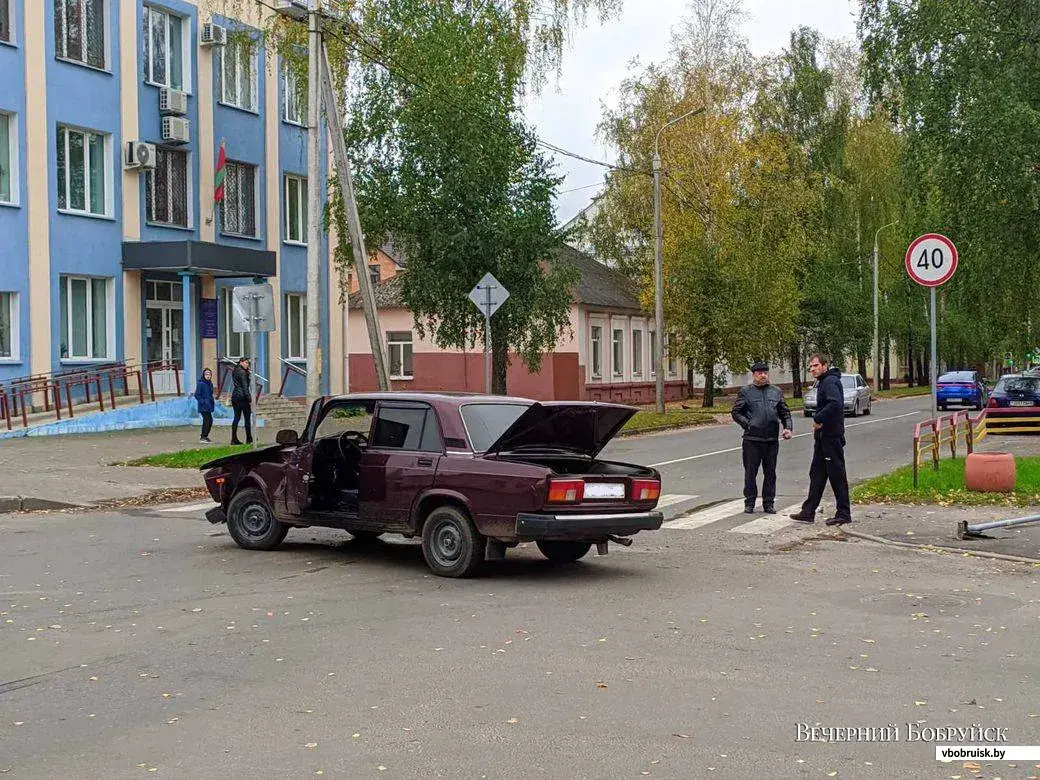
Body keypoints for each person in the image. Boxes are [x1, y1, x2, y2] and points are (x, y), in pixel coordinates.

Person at [790, 352, 852, 526]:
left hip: (831, 438)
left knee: (837, 475)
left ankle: (844, 513)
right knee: (816, 474)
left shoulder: (830, 382)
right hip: (823, 438)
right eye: (810, 366)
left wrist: (818, 418)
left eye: (816, 365)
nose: (812, 369)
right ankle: (808, 512)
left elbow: (835, 404)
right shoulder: (823, 382)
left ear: (825, 365)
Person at [731, 361, 793, 514]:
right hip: (752, 440)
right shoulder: (746, 392)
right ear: (754, 375)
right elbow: (736, 412)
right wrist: (748, 424)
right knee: (751, 472)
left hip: (771, 440)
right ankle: (750, 502)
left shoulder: (776, 392)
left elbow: (785, 412)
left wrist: (788, 428)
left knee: (770, 472)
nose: (763, 375)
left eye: (765, 372)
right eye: (759, 373)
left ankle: (768, 503)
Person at [230, 357, 253, 446]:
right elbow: (245, 387)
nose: (247, 365)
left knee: (236, 418)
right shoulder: (243, 372)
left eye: (248, 363)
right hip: (242, 397)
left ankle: (234, 438)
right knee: (247, 418)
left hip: (235, 396)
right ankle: (249, 438)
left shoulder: (235, 370)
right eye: (246, 363)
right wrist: (249, 399)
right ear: (241, 362)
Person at [194, 368, 215, 444]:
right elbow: (197, 395)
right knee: (207, 421)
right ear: (204, 375)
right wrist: (203, 402)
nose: (208, 376)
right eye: (206, 374)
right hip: (203, 406)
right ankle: (203, 437)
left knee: (210, 421)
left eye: (209, 374)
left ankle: (205, 436)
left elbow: (210, 394)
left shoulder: (210, 383)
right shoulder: (201, 383)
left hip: (209, 405)